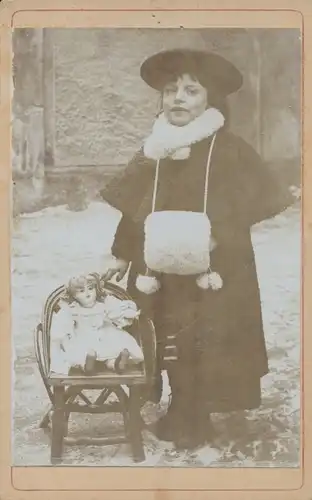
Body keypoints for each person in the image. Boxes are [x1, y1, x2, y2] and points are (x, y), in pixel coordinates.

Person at [99, 49, 297, 450]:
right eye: (171, 90)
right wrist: (121, 253)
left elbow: (251, 201)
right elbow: (137, 207)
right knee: (160, 331)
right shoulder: (156, 148)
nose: (178, 98)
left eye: (190, 91)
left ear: (211, 100)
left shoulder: (228, 149)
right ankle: (174, 404)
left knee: (204, 337)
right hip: (156, 266)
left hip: (214, 265)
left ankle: (193, 415)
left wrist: (216, 233)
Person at [49, 273, 144, 375]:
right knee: (81, 351)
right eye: (81, 291)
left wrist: (130, 313)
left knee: (112, 350)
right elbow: (62, 322)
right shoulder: (73, 308)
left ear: (96, 288)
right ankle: (87, 365)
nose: (88, 293)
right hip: (83, 337)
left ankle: (116, 364)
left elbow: (116, 311)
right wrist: (62, 335)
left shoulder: (103, 304)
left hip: (104, 335)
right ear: (73, 295)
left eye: (90, 288)